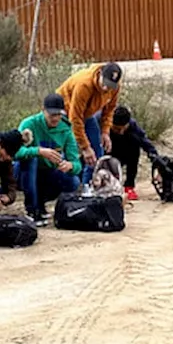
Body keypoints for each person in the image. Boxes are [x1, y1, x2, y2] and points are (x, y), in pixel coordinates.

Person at [14, 94, 83, 226]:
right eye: (52, 114)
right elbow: (15, 152)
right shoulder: (29, 124)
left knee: (73, 181)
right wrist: (39, 151)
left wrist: (70, 166)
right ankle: (32, 210)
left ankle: (41, 203)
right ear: (43, 110)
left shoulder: (66, 130)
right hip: (24, 173)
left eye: (58, 114)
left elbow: (77, 164)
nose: (55, 118)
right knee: (30, 160)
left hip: (49, 173)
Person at [56, 61, 123, 186]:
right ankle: (65, 186)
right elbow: (75, 118)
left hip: (87, 113)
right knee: (71, 150)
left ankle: (89, 187)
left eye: (110, 86)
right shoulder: (84, 85)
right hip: (64, 113)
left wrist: (105, 132)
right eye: (105, 83)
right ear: (100, 74)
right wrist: (85, 147)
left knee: (97, 153)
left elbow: (109, 111)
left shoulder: (114, 87)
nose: (106, 88)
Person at [107, 106, 159, 201]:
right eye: (117, 129)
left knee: (135, 145)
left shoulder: (133, 127)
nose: (121, 132)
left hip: (128, 153)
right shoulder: (103, 125)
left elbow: (146, 144)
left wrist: (157, 162)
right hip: (110, 153)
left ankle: (129, 187)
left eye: (123, 128)